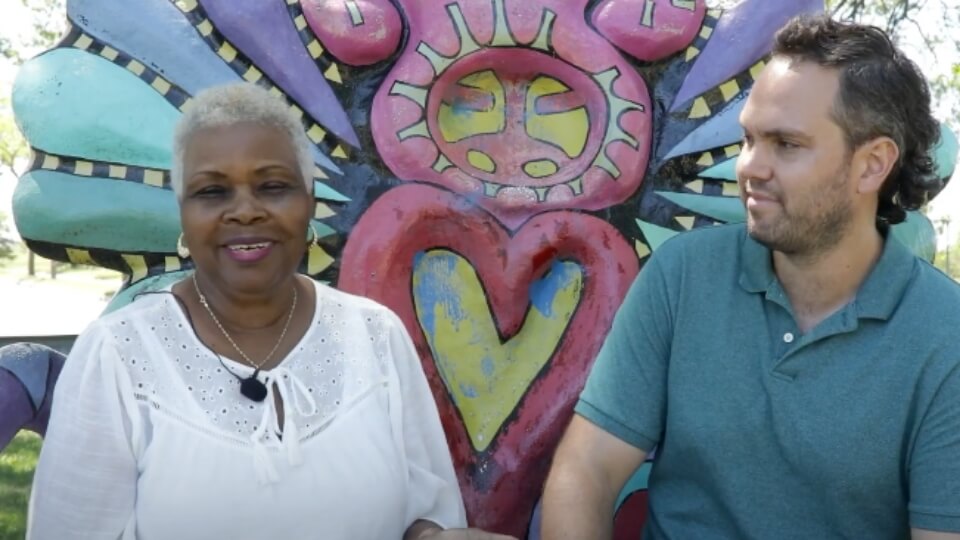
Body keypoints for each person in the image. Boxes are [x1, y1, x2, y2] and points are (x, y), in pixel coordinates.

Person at [27, 83, 514, 540]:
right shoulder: (120, 353)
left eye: (273, 186)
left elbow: (424, 517)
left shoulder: (373, 335)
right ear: (183, 214)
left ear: (308, 204)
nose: (244, 211)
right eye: (212, 192)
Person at [541, 14, 960, 540]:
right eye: (748, 140)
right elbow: (587, 470)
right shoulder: (681, 276)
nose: (749, 168)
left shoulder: (946, 337)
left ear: (872, 164)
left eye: (785, 144)